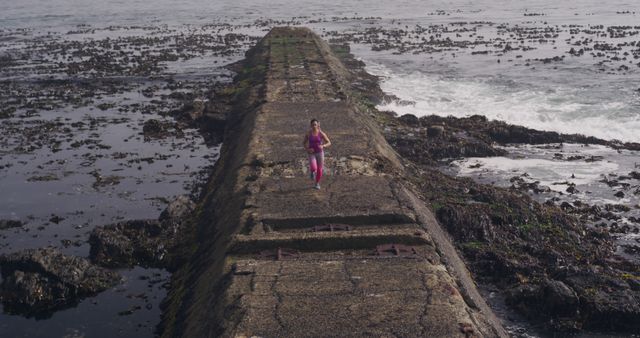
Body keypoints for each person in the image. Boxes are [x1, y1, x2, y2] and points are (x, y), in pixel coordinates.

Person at [303, 118, 331, 189]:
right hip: (312, 153)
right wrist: (308, 149)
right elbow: (304, 143)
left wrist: (323, 145)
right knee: (313, 167)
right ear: (310, 125)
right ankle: (312, 171)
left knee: (320, 169)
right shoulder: (308, 133)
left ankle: (317, 183)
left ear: (318, 125)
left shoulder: (321, 133)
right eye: (312, 125)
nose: (314, 126)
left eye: (315, 125)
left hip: (320, 153)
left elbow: (329, 142)